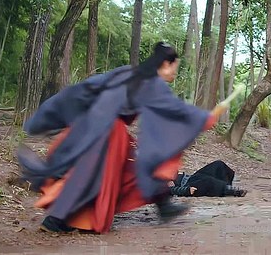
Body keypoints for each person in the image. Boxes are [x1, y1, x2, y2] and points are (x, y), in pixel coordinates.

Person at [17, 42, 227, 234]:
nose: (175, 72)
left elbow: (90, 87)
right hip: (106, 134)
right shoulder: (153, 83)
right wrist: (207, 118)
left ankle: (163, 205)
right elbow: (176, 111)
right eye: (174, 67)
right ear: (165, 64)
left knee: (128, 170)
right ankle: (57, 220)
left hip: (89, 126)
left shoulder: (128, 72)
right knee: (91, 177)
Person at [169, 160, 247, 197]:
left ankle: (227, 186)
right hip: (187, 186)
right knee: (207, 181)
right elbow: (170, 190)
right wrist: (186, 190)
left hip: (191, 177)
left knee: (218, 164)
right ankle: (230, 190)